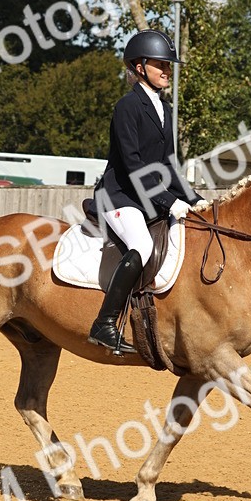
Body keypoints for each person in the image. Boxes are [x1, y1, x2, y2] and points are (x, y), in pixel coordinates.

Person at [87, 28, 203, 352]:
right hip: (119, 195)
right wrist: (169, 202)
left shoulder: (164, 109)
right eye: (160, 65)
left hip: (145, 199)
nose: (167, 71)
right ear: (140, 67)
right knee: (142, 244)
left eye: (168, 66)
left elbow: (168, 165)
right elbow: (134, 165)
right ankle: (104, 323)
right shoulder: (127, 107)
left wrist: (194, 199)